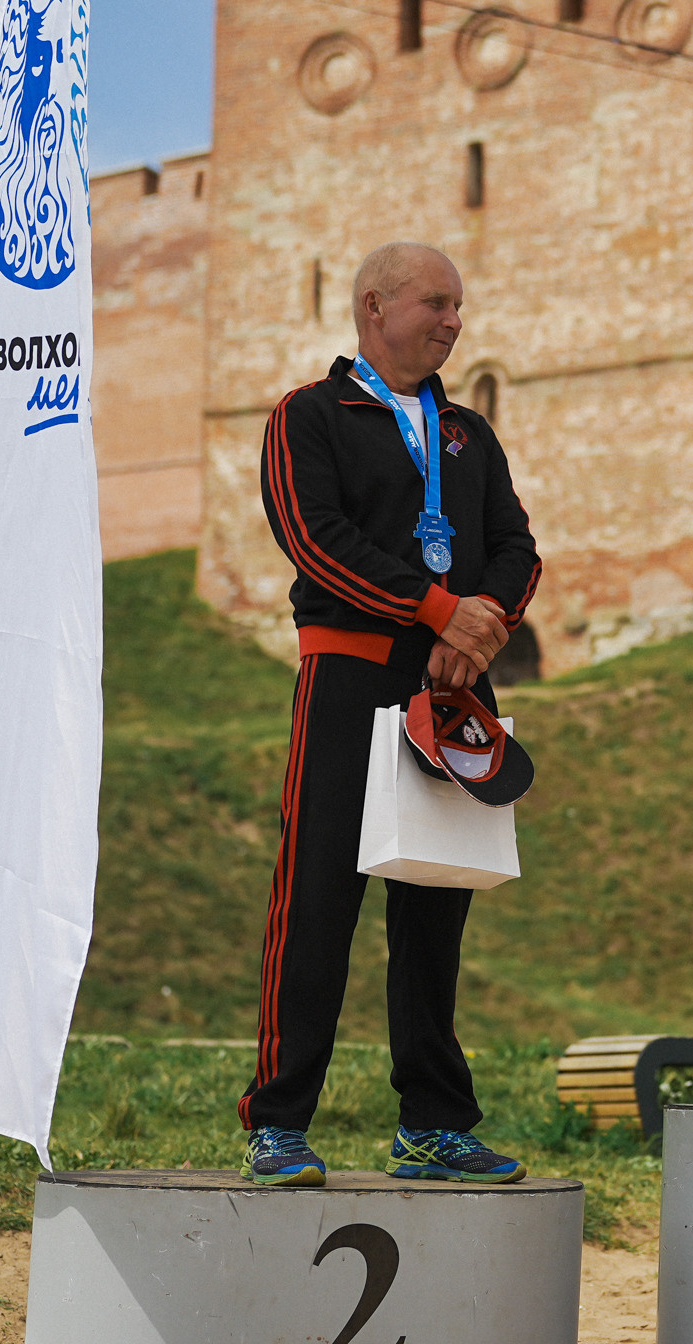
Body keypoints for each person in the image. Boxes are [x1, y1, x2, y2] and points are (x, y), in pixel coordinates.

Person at [238, 242, 542, 1187]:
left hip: (453, 693)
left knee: (436, 902)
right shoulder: (309, 416)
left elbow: (516, 548)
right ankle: (278, 1122)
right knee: (317, 897)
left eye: (460, 306)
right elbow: (315, 542)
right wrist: (434, 607)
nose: (455, 321)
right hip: (349, 680)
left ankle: (434, 1125)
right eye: (436, 303)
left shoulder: (468, 434)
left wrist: (479, 631)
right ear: (375, 307)